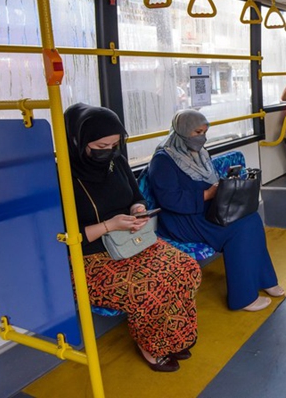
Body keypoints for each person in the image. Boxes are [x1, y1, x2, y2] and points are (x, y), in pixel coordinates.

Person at [64, 103, 201, 373]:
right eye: (101, 146)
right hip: (89, 257)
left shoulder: (117, 162)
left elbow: (136, 197)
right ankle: (151, 346)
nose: (108, 152)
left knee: (186, 269)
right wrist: (108, 225)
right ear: (78, 141)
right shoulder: (60, 177)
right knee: (147, 289)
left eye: (113, 145)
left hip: (130, 241)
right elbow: (62, 235)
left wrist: (138, 210)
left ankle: (173, 337)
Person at [148, 110, 283, 312]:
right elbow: (169, 200)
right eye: (197, 132)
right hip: (182, 220)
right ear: (183, 131)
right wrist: (207, 195)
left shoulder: (198, 153)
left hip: (204, 210)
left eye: (204, 132)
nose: (202, 137)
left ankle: (265, 279)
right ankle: (243, 298)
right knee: (240, 228)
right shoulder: (163, 160)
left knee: (251, 218)